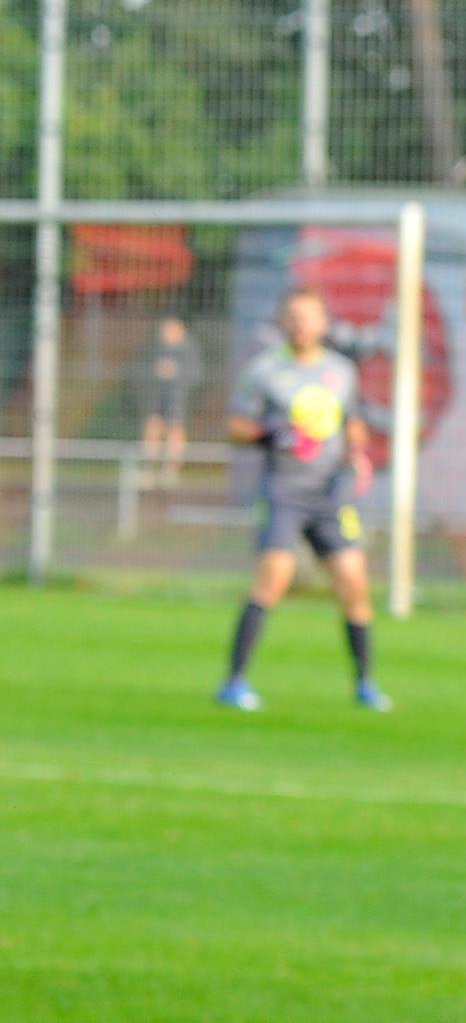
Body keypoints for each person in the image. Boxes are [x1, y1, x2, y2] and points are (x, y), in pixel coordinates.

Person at [219, 287, 391, 713]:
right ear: (284, 322)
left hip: (330, 493)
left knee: (354, 582)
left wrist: (356, 450)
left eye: (308, 317)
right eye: (293, 317)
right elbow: (236, 427)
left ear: (323, 324)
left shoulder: (340, 371)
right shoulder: (264, 371)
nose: (300, 324)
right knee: (274, 577)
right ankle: (235, 681)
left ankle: (365, 684)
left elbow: (352, 425)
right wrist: (268, 433)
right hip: (284, 490)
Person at [126, 314, 200, 485]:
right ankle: (149, 468)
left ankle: (171, 470)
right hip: (157, 396)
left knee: (175, 429)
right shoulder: (156, 348)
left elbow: (197, 374)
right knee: (152, 426)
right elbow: (141, 368)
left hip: (177, 397)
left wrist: (177, 372)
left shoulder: (189, 349)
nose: (165, 333)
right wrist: (155, 371)